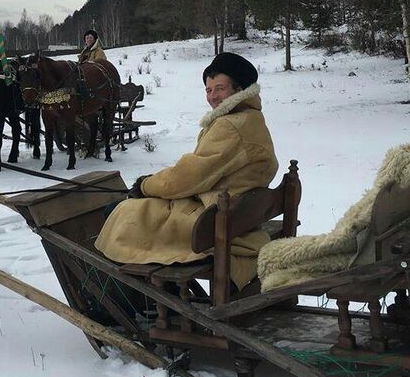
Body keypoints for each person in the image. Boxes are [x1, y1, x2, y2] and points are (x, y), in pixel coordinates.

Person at [94, 51, 278, 289]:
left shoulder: (230, 126)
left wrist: (145, 185)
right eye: (209, 90)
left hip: (213, 220)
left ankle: (140, 297)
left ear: (239, 89)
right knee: (131, 212)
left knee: (120, 214)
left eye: (220, 89)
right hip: (231, 212)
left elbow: (188, 176)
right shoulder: (251, 118)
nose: (213, 97)